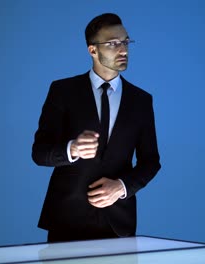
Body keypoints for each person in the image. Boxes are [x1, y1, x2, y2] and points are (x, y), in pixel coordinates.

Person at [32, 13, 161, 243]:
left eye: (125, 42)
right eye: (113, 44)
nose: (123, 50)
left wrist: (121, 187)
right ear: (92, 50)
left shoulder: (141, 101)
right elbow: (39, 153)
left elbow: (150, 162)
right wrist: (72, 149)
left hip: (118, 224)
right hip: (66, 221)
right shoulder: (62, 91)